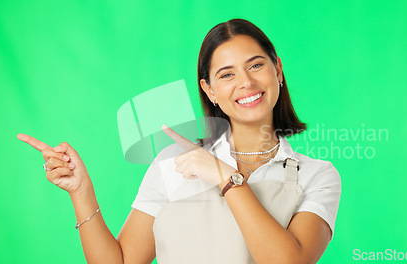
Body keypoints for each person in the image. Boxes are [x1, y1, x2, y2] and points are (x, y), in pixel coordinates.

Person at [17, 18, 341, 264]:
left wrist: (225, 177)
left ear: (278, 70)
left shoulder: (316, 176)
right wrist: (81, 191)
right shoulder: (174, 163)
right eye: (227, 74)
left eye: (256, 65)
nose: (246, 82)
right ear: (210, 90)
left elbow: (288, 261)